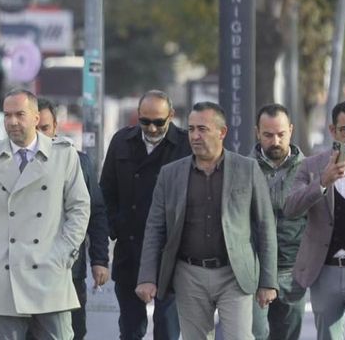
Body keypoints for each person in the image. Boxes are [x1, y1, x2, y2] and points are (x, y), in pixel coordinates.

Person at [136, 102, 278, 340]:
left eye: (202, 129)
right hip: (189, 274)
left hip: (235, 273)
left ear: (222, 132)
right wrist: (147, 277)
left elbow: (265, 226)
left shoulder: (247, 169)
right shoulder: (170, 174)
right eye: (191, 129)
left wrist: (268, 281)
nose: (195, 136)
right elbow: (155, 229)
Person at [0, 89, 90, 339]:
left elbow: (79, 207)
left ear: (35, 118)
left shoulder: (63, 154)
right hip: (4, 275)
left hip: (49, 273)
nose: (12, 122)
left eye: (20, 114)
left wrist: (63, 253)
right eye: (7, 115)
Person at [99, 90, 190, 339]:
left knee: (168, 330)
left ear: (171, 116)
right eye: (145, 121)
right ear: (137, 116)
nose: (151, 128)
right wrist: (115, 226)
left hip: (170, 254)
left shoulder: (185, 144)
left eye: (159, 122)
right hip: (129, 250)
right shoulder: (121, 141)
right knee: (129, 329)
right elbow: (106, 191)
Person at [284, 99, 345, 340]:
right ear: (332, 130)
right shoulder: (310, 166)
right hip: (325, 270)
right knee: (328, 337)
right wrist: (321, 182)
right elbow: (290, 207)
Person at [29, 98, 109, 340]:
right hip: (25, 270)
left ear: (55, 127)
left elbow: (95, 212)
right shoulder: (13, 163)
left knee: (72, 332)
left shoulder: (78, 161)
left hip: (68, 270)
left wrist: (100, 259)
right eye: (35, 129)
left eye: (45, 128)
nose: (40, 135)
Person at [250, 103, 307, 340]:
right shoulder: (243, 168)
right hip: (253, 270)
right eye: (268, 135)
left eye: (281, 134)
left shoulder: (309, 169)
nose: (275, 141)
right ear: (257, 133)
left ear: (291, 131)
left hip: (292, 269)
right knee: (254, 334)